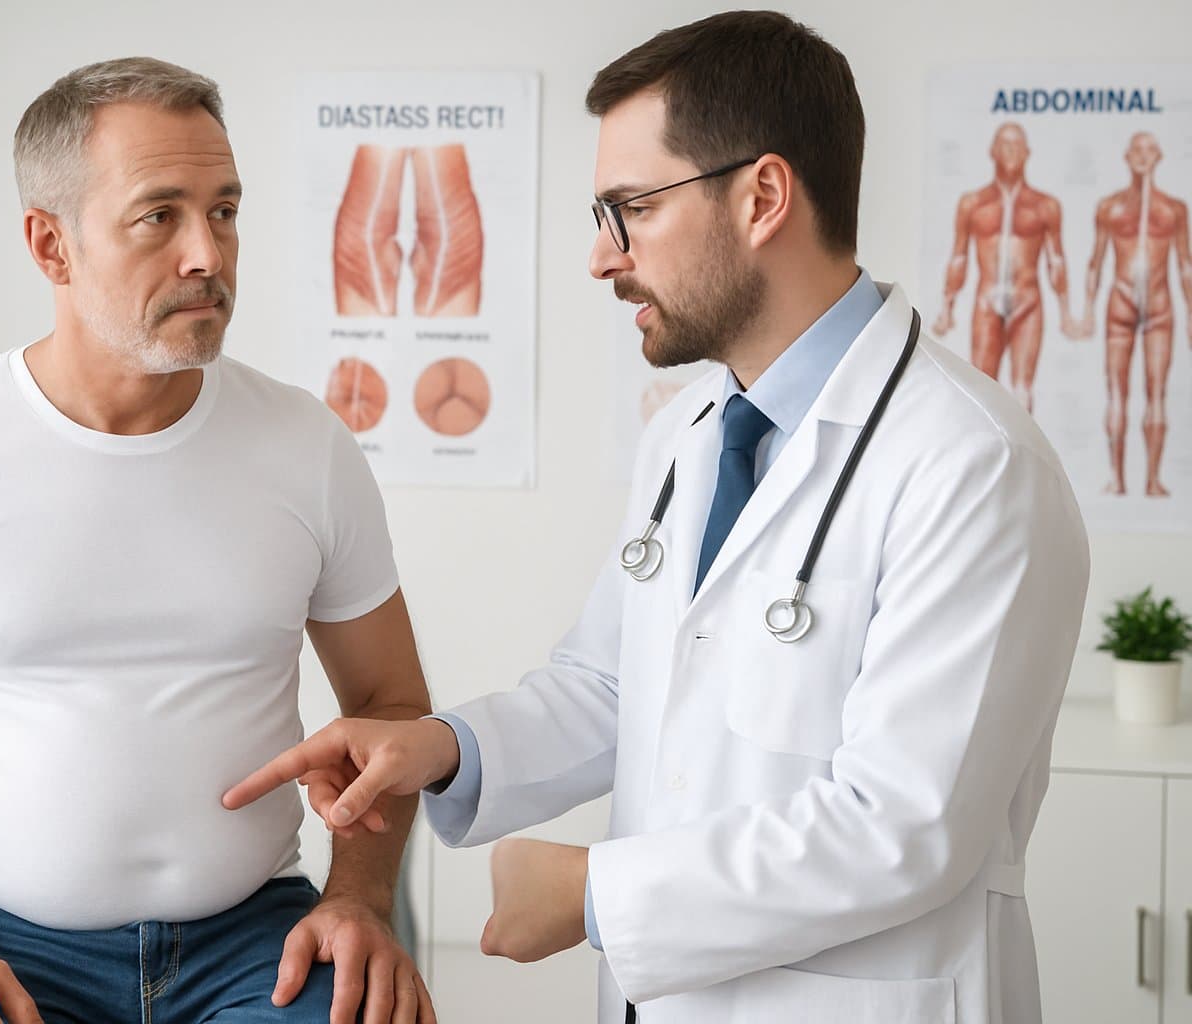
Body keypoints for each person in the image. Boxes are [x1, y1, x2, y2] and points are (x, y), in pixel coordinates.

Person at [225, 13, 1090, 1024]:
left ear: (763, 197)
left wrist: (597, 893)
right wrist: (441, 747)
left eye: (630, 208)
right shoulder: (691, 432)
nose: (603, 256)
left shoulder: (971, 464)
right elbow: (613, 685)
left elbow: (904, 825)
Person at [0, 57, 436, 1024]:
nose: (208, 253)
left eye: (224, 211)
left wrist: (356, 898)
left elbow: (389, 700)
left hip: (253, 942)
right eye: (160, 216)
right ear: (50, 245)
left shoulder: (306, 446)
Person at [1075, 131, 1192, 496]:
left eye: (1150, 149)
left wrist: (1190, 315)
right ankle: (1117, 477)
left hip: (1159, 304)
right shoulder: (1109, 207)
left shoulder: (1174, 210)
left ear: (1158, 157)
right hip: (1120, 301)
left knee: (1156, 393)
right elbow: (1095, 261)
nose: (1143, 155)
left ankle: (1153, 479)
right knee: (1116, 393)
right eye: (1137, 150)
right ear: (1127, 157)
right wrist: (1088, 312)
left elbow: (1185, 265)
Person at [931, 123, 1077, 413]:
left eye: (1017, 145)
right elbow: (959, 257)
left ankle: (1025, 458)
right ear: (992, 151)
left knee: (1023, 390)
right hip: (988, 303)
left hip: (1028, 302)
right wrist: (947, 307)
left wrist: (1065, 312)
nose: (1011, 151)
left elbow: (1056, 260)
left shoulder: (1045, 206)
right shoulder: (973, 203)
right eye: (1005, 145)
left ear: (1027, 153)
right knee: (982, 389)